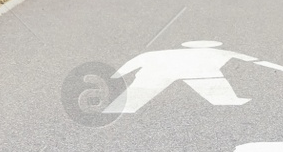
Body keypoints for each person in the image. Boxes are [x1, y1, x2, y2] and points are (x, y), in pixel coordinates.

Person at [104, 41, 258, 114]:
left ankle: (123, 107)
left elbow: (136, 61)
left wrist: (116, 76)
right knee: (218, 92)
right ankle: (227, 101)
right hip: (199, 75)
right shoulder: (216, 53)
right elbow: (257, 61)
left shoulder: (157, 54)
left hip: (155, 74)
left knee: (133, 97)